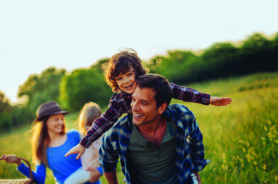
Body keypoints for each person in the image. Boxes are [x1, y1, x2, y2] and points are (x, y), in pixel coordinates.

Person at [66, 49, 231, 160]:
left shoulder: (152, 83)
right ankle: (135, 174)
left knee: (180, 121)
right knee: (125, 134)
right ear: (115, 81)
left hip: (164, 122)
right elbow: (104, 121)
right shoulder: (119, 100)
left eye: (129, 74)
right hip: (142, 132)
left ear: (137, 71)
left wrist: (208, 99)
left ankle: (191, 167)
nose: (126, 81)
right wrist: (83, 143)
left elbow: (179, 91)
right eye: (120, 78)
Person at [99, 74, 208, 184]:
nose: (134, 108)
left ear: (161, 107)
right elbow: (106, 159)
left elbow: (195, 137)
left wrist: (195, 166)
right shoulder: (118, 133)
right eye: (133, 100)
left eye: (143, 103)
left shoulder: (182, 117)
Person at [1, 101, 104, 184]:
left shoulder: (74, 136)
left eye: (61, 118)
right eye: (56, 119)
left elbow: (97, 154)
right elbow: (40, 181)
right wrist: (19, 163)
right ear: (45, 123)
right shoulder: (41, 150)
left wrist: (99, 171)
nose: (60, 122)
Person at [63, 102, 114, 184]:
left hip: (90, 168)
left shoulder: (101, 137)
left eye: (94, 124)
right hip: (87, 167)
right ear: (82, 123)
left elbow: (105, 153)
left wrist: (95, 144)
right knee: (93, 180)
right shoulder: (83, 135)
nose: (91, 128)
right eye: (87, 124)